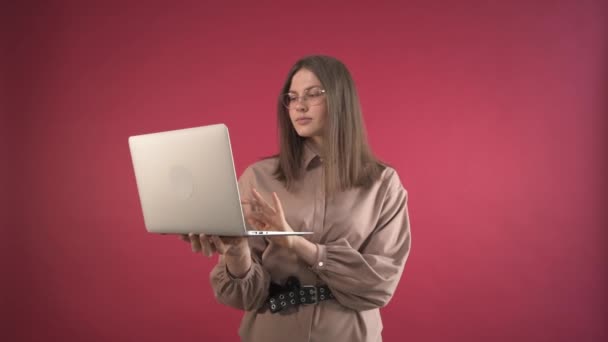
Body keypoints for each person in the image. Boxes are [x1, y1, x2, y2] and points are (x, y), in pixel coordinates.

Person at [182, 55, 411, 342]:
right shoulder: (257, 178)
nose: (299, 105)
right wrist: (236, 252)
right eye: (292, 97)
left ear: (342, 99)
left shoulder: (383, 183)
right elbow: (243, 297)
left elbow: (379, 286)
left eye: (314, 94)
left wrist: (296, 244)